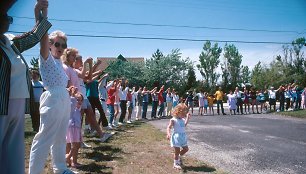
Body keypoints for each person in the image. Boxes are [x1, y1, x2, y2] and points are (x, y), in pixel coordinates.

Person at [0, 0, 51, 173]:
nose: (8, 20)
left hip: (18, 102)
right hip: (2, 103)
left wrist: (39, 11)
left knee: (14, 150)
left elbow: (35, 36)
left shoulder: (10, 42)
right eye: (5, 16)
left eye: (9, 18)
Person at [166, 103, 191, 170]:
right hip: (176, 137)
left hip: (183, 137)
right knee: (177, 151)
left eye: (185, 114)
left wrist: (187, 118)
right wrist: (168, 134)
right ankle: (176, 163)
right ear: (177, 112)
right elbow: (169, 127)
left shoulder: (182, 119)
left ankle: (178, 157)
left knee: (186, 149)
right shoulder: (173, 120)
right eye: (183, 114)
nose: (184, 115)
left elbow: (184, 125)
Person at [66, 90, 83, 168]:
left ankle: (73, 162)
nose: (79, 101)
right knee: (75, 145)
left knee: (74, 145)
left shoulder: (78, 109)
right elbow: (72, 102)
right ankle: (68, 158)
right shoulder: (72, 107)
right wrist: (72, 94)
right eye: (77, 99)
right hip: (73, 127)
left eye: (81, 100)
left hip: (76, 128)